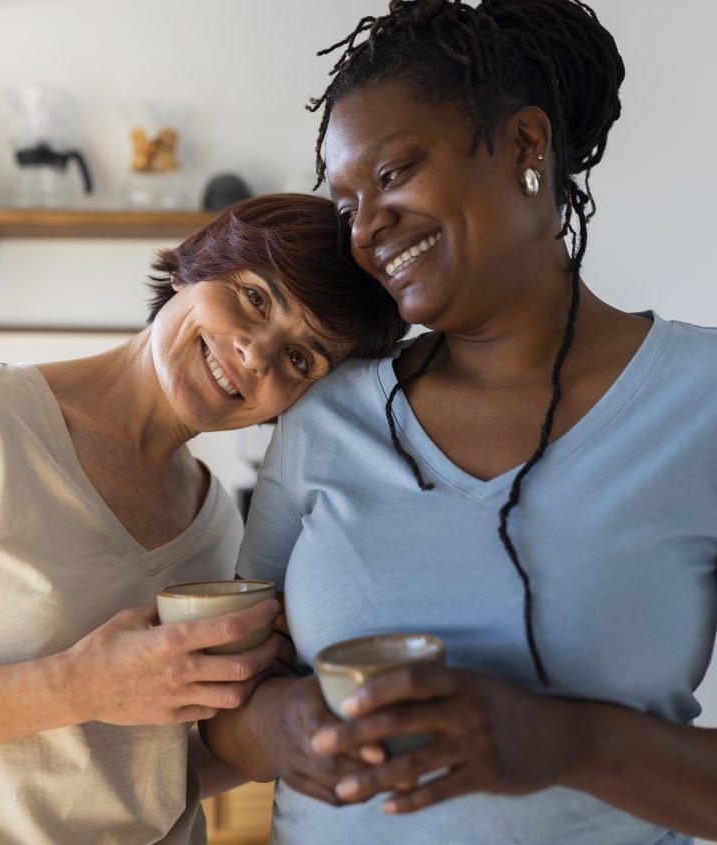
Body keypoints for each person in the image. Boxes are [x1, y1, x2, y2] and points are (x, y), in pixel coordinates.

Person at [203, 3, 717, 844]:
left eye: (395, 172)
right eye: (347, 204)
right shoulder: (324, 416)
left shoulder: (702, 397)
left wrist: (572, 743)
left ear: (525, 145)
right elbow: (229, 704)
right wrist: (281, 726)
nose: (366, 229)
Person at [0, 192, 406, 845]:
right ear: (197, 262)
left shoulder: (220, 525)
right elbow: (89, 701)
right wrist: (74, 686)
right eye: (256, 297)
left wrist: (290, 728)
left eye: (301, 359)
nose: (256, 356)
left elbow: (156, 771)